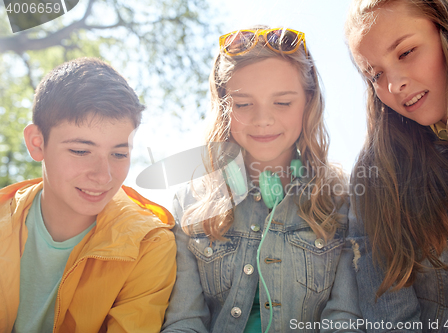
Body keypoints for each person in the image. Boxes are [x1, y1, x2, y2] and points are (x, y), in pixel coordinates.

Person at [162, 27, 363, 332]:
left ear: (308, 103)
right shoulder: (191, 203)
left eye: (282, 103)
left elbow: (344, 319)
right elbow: (184, 322)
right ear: (223, 107)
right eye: (243, 104)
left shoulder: (341, 200)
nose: (263, 119)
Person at [345, 0, 448, 331]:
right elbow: (391, 317)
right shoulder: (377, 180)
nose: (394, 85)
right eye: (375, 74)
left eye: (405, 53)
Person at [0, 57, 177, 333]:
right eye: (81, 151)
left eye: (119, 154)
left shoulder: (149, 244)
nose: (103, 175)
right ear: (37, 144)